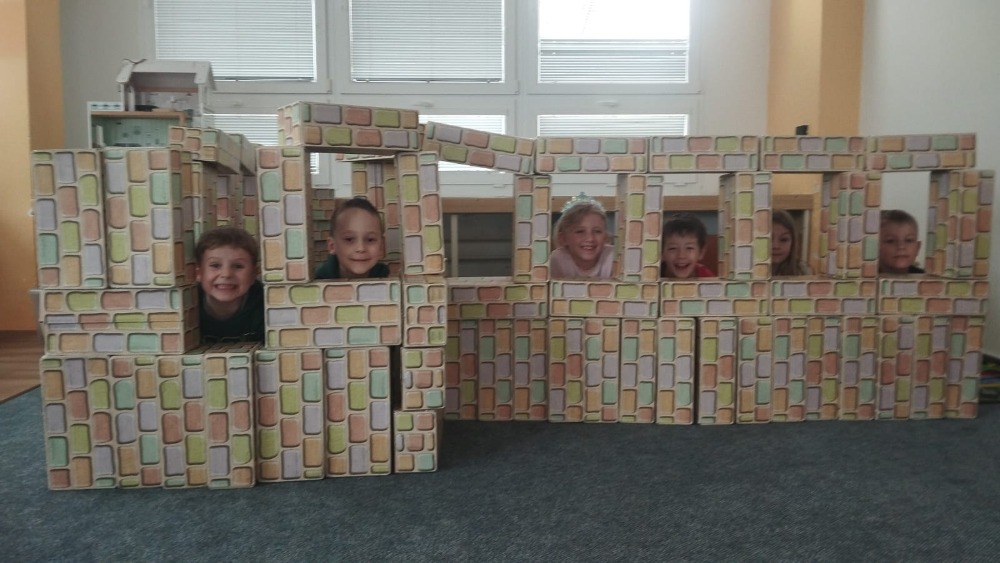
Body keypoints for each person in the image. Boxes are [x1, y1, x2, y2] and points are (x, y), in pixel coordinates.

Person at [195, 226, 265, 344]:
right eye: (215, 265)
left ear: (254, 274)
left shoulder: (266, 304)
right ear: (198, 273)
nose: (226, 274)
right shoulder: (186, 304)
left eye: (238, 266)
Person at [315, 196, 390, 279]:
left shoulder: (388, 281)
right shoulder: (317, 283)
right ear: (332, 246)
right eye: (349, 239)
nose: (361, 248)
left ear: (381, 246)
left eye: (370, 240)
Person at [550, 193, 615, 279]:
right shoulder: (558, 259)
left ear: (605, 236)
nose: (590, 238)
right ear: (563, 238)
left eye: (597, 231)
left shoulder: (613, 257)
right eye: (580, 231)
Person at [661, 213, 715, 278]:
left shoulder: (706, 276)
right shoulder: (653, 275)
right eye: (673, 248)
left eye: (689, 248)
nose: (681, 255)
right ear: (662, 253)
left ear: (701, 253)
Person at [879, 209, 924, 274]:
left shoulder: (925, 277)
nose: (901, 246)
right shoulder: (867, 277)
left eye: (908, 240)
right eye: (891, 241)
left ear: (918, 247)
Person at [771, 209, 813, 276]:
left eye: (784, 239)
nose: (776, 246)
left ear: (793, 243)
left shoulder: (802, 272)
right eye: (769, 239)